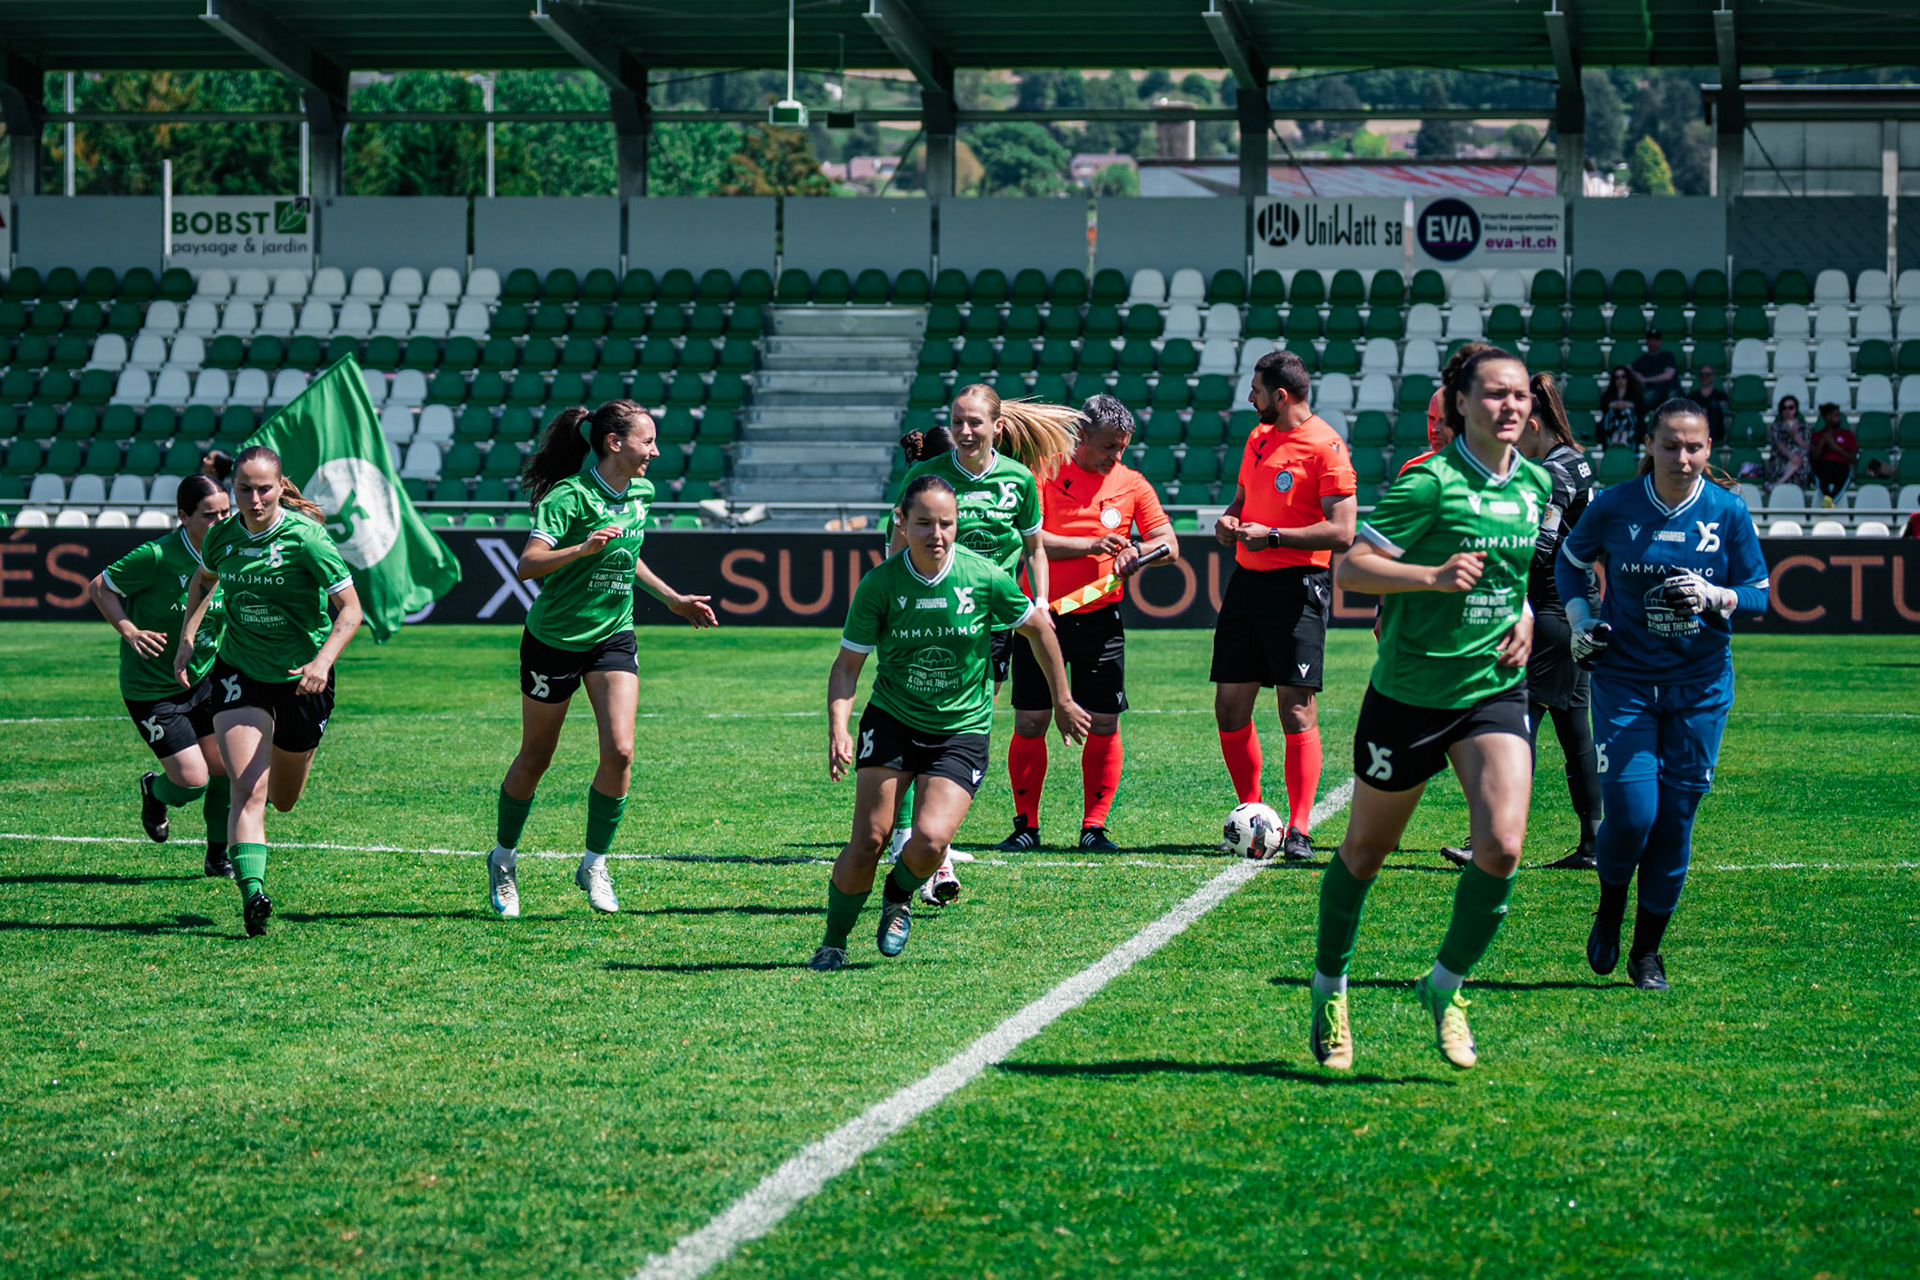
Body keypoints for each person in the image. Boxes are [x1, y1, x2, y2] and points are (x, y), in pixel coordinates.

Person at [1306, 346, 1548, 1073]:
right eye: (1496, 395)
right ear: (1463, 404)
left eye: (1520, 396)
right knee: (1363, 854)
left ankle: (1444, 986)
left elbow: (1513, 575)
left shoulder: (1533, 484)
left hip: (1491, 691)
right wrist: (1430, 576)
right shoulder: (1430, 485)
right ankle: (1329, 986)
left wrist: (1527, 614)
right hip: (1409, 696)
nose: (1511, 406)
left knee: (1502, 848)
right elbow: (1350, 567)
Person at [812, 476, 1091, 971]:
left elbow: (1038, 629)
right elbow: (847, 666)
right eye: (923, 523)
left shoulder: (983, 577)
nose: (936, 534)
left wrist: (1063, 699)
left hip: (961, 729)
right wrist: (839, 726)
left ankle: (897, 896)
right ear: (901, 522)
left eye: (946, 523)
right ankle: (832, 942)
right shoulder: (880, 585)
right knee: (869, 841)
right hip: (893, 719)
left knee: (933, 841)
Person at [1557, 399, 1769, 991]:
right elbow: (1568, 565)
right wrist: (1579, 621)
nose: (1683, 457)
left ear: (1710, 450)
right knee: (1632, 814)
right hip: (1623, 681)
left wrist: (1714, 596)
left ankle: (1647, 953)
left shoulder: (1727, 511)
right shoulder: (1616, 505)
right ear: (1647, 445)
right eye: (1671, 445)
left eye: (1695, 446)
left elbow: (1759, 591)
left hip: (1700, 687)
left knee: (1675, 822)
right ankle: (1610, 906)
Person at [487, 402, 717, 919]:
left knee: (621, 751)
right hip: (554, 640)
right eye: (648, 441)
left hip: (614, 635)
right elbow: (527, 565)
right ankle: (503, 858)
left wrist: (673, 600)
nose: (656, 452)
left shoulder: (641, 492)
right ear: (615, 443)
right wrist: (582, 550)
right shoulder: (569, 497)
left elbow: (627, 554)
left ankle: (594, 863)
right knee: (536, 757)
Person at [891, 385, 1077, 900]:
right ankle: (909, 836)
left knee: (965, 727)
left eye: (975, 422)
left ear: (997, 427)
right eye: (957, 421)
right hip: (932, 619)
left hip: (992, 624)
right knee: (921, 721)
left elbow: (1035, 547)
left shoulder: (1018, 480)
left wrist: (1039, 601)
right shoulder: (925, 478)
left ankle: (933, 838)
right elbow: (895, 547)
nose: (965, 431)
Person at [174, 446, 364, 937]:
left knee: (283, 798)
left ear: (281, 487)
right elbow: (203, 582)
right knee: (247, 788)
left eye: (263, 489)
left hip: (304, 679)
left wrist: (322, 661)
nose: (254, 499)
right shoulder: (222, 538)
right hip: (240, 672)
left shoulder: (308, 539)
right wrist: (188, 638)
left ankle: (254, 867)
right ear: (232, 489)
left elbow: (350, 611)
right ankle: (253, 891)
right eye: (244, 489)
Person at [1002, 393, 1178, 853]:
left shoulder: (1133, 483)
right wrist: (1092, 545)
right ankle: (1026, 826)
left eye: (1121, 447)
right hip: (1040, 617)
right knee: (1031, 721)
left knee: (1104, 723)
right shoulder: (1042, 470)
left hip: (1101, 617)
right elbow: (1032, 541)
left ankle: (1094, 827)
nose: (1115, 456)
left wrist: (1140, 552)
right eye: (1107, 447)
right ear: (1080, 437)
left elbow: (1169, 544)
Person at [1212, 349, 1357, 861]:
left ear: (1281, 395)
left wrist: (1272, 536)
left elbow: (1342, 530)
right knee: (1229, 707)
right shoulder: (1257, 437)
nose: (1249, 397)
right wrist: (1230, 522)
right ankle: (1252, 812)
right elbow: (1242, 501)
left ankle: (1298, 829)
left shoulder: (1327, 447)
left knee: (1295, 708)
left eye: (1255, 390)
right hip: (1247, 585)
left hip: (1299, 586)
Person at [87, 474, 235, 878]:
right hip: (151, 688)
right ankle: (154, 791)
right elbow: (100, 587)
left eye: (226, 511)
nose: (221, 521)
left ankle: (217, 855)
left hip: (204, 677)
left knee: (224, 766)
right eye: (209, 515)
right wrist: (130, 630)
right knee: (191, 782)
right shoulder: (157, 556)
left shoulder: (232, 552)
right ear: (183, 516)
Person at [1515, 374, 1603, 870]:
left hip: (1553, 608)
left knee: (1515, 727)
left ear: (1534, 423)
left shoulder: (1554, 471)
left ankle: (1491, 838)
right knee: (1574, 730)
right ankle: (1593, 844)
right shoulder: (1577, 460)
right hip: (1578, 607)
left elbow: (1544, 545)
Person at [1808, 403, 1859, 507]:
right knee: (1820, 473)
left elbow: (1853, 457)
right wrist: (1823, 442)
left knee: (1843, 474)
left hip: (1841, 465)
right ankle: (1827, 499)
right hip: (1823, 465)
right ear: (1827, 417)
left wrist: (1836, 448)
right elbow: (1813, 459)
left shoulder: (1847, 434)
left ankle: (1830, 500)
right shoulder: (1817, 435)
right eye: (1836, 415)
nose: (1839, 418)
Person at [1763, 395, 1811, 494]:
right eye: (1784, 408)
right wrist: (1791, 456)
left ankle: (1777, 484)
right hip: (1782, 460)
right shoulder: (1777, 425)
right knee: (1797, 455)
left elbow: (1807, 447)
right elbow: (1778, 444)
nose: (1788, 410)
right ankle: (1781, 481)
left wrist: (1795, 435)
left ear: (1796, 409)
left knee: (1800, 453)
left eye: (1791, 407)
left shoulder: (1804, 425)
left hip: (1800, 464)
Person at [1629, 329, 1679, 408]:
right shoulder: (1642, 360)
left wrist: (1645, 380)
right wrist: (1637, 375)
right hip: (1652, 393)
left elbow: (1668, 375)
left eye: (1655, 340)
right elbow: (1628, 368)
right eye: (1650, 340)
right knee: (1645, 398)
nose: (1653, 343)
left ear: (1659, 341)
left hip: (1669, 390)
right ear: (1646, 341)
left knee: (1673, 398)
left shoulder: (1668, 356)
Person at [1684, 365, 1731, 445]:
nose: (1705, 377)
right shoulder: (1692, 397)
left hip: (1716, 432)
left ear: (1713, 376)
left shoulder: (1721, 396)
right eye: (1702, 374)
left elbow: (1725, 411)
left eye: (1708, 374)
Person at [1601, 366, 1642, 448]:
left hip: (1631, 426)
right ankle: (1616, 435)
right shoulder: (1608, 394)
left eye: (1623, 377)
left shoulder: (1635, 394)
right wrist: (1612, 405)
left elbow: (1641, 408)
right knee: (1612, 412)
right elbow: (1603, 407)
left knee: (1627, 412)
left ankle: (1624, 435)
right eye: (1617, 377)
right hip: (1612, 425)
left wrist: (1629, 405)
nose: (1620, 380)